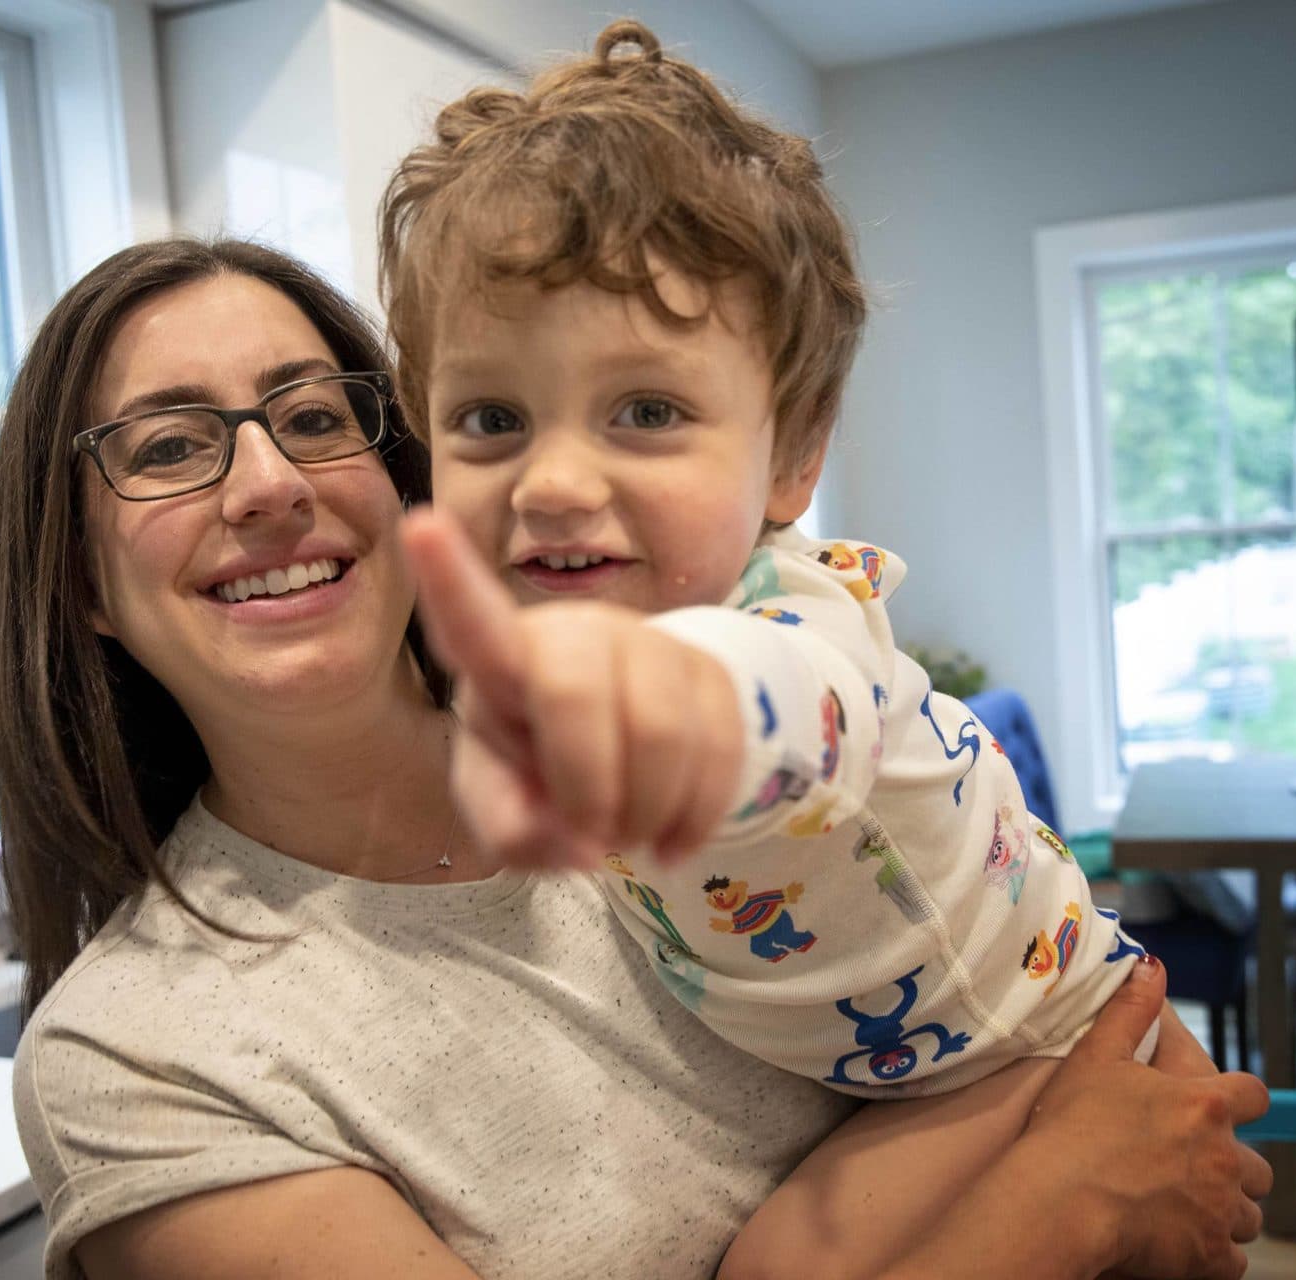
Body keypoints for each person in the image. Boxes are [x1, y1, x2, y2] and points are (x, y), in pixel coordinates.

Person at [0, 235, 1270, 1280]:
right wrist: (1075, 1199)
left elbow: (1018, 961)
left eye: (315, 415)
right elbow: (1099, 1151)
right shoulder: (137, 1057)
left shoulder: (665, 717)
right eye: (164, 446)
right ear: (82, 581)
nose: (267, 481)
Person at [382, 22, 1233, 1272]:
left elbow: (791, 716)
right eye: (491, 417)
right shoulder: (530, 641)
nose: (554, 479)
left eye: (648, 410)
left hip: (1033, 1037)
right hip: (913, 1059)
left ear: (792, 453)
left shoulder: (787, 624)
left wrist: (673, 704)